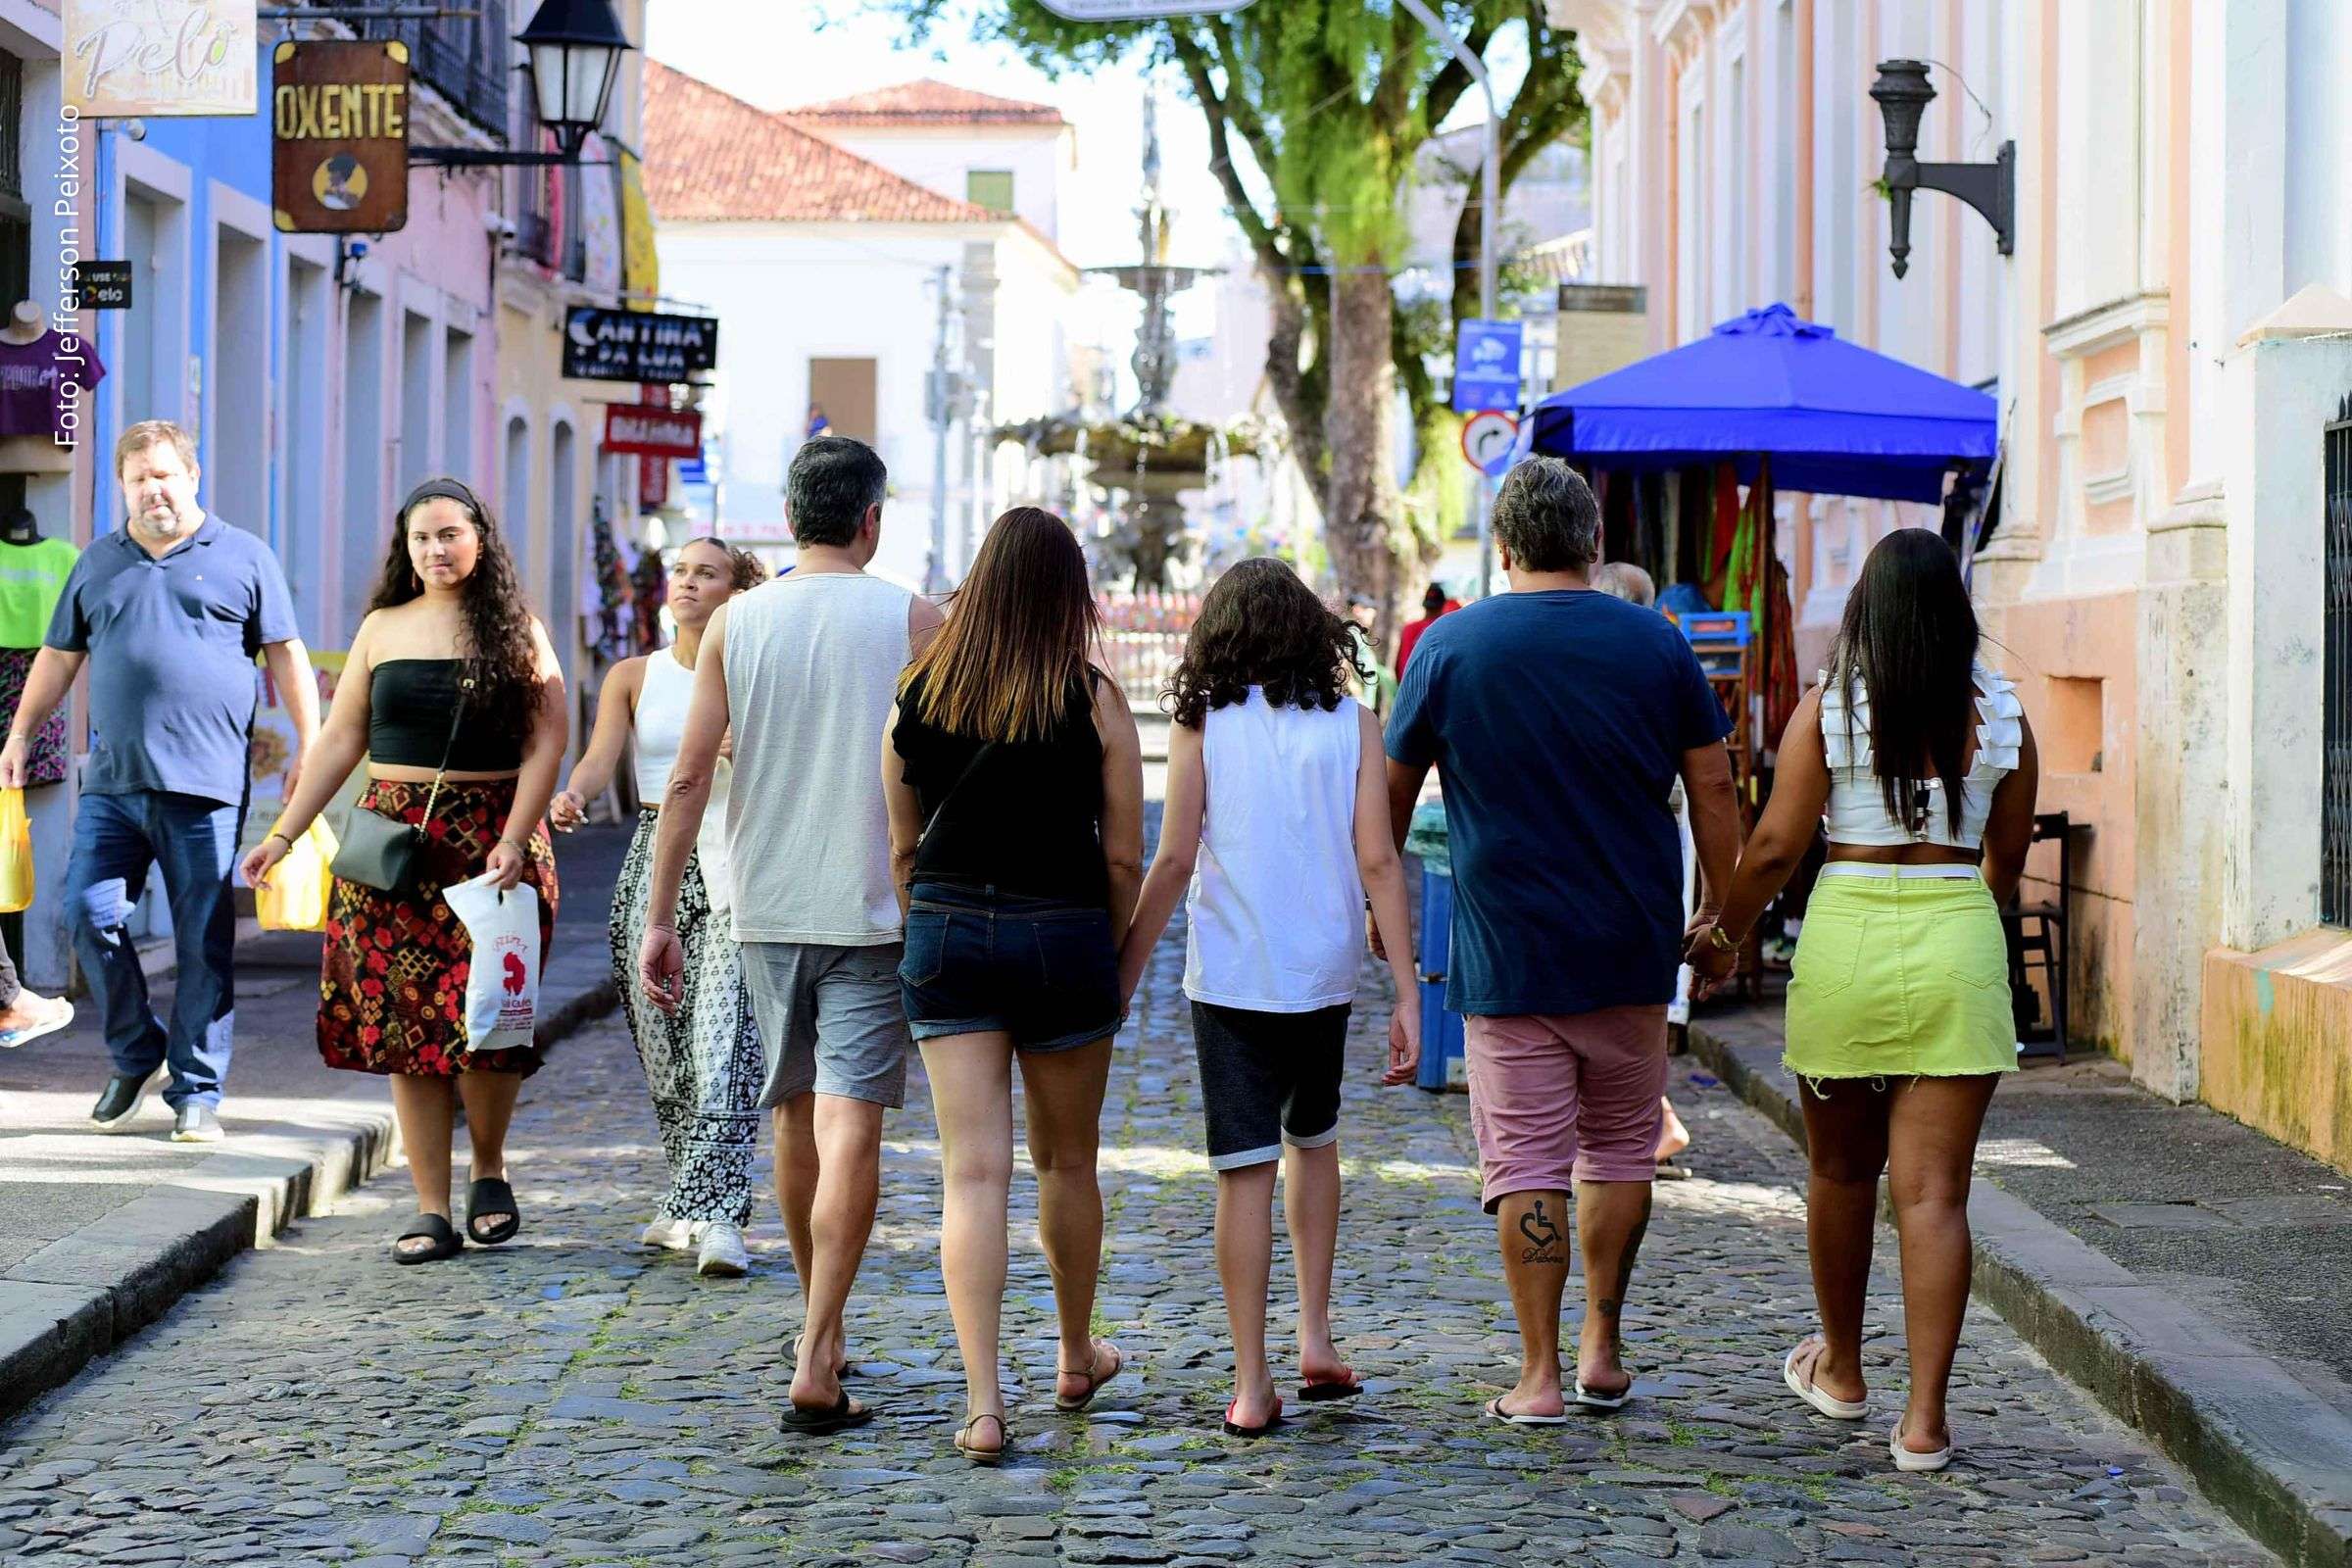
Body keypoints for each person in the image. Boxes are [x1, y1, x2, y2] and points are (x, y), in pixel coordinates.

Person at [1382, 456, 1742, 1423]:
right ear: (1592, 543)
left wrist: (1380, 914)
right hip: (1630, 942)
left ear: (1502, 549)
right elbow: (1714, 788)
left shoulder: (1450, 649)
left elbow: (1385, 800)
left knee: (1529, 1159)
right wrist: (1724, 919)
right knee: (1624, 1148)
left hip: (1508, 951)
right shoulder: (1657, 646)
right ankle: (1602, 1346)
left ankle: (1536, 1374)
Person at [1683, 527, 2036, 1473]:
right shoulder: (2002, 715)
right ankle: (1925, 1423)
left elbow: (1771, 851)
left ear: (1866, 612)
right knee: (1935, 1196)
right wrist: (1964, 908)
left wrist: (1722, 940)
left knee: (1842, 1174)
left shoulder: (1829, 711)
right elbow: (2008, 857)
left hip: (1847, 947)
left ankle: (1841, 1369)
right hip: (1957, 939)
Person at [639, 435, 943, 1435]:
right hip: (872, 904)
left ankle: (824, 1325)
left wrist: (658, 915)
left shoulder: (735, 622)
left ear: (789, 511)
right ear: (871, 518)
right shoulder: (912, 618)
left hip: (761, 905)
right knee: (852, 1120)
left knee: (793, 1114)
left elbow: (687, 778)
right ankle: (820, 1342)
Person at [1117, 557, 1420, 1440]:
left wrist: (1128, 971)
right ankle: (1316, 1338)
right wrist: (1405, 990)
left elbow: (1173, 859)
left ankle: (1252, 1384)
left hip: (1234, 976)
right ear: (1310, 632)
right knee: (1314, 1144)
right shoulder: (1355, 724)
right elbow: (1378, 863)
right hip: (1322, 972)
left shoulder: (1201, 721)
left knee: (1242, 1171)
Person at [242, 478, 565, 1263]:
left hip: (494, 845)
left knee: (488, 1019)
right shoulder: (382, 628)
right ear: (406, 548)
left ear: (480, 540)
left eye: (450, 534)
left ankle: (488, 1170)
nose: (436, 549)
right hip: (392, 849)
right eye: (422, 538)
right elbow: (343, 738)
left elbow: (547, 743)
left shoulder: (517, 630)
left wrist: (518, 837)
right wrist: (284, 836)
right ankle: (429, 1206)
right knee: (407, 1027)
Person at [882, 506, 1144, 1466]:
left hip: (949, 926)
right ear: (1070, 594)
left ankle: (986, 1404)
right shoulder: (1095, 698)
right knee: (1068, 1164)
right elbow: (1124, 856)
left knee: (972, 1174)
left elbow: (903, 843)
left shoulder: (919, 689)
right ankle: (1076, 1355)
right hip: (1064, 930)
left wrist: (935, 920)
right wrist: (1102, 952)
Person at [3, 419, 318, 1143]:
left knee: (203, 940)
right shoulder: (97, 562)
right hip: (112, 784)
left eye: (164, 475)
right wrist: (19, 734)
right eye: (139, 478)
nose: (153, 490)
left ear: (193, 477)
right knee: (85, 913)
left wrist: (312, 742)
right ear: (122, 486)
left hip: (204, 787)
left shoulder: (244, 557)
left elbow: (287, 654)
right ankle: (137, 1052)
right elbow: (57, 656)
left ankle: (199, 1090)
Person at [554, 537, 766, 1279]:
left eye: (706, 573)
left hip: (733, 855)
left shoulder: (752, 666)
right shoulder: (632, 675)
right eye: (679, 571)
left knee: (724, 1046)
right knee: (666, 1049)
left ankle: (720, 1218)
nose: (687, 584)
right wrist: (574, 794)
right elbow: (599, 756)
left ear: (735, 590)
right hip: (653, 861)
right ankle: (687, 1198)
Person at [1591, 562, 1694, 1167]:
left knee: (1622, 1004)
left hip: (1633, 847)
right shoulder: (1659, 652)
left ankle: (1649, 1122)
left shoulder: (1648, 657)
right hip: (1643, 851)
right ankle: (1653, 1120)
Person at [1394, 580, 1458, 676]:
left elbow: (1402, 664)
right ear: (1443, 605)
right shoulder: (1448, 628)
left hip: (1411, 683)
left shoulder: (1410, 628)